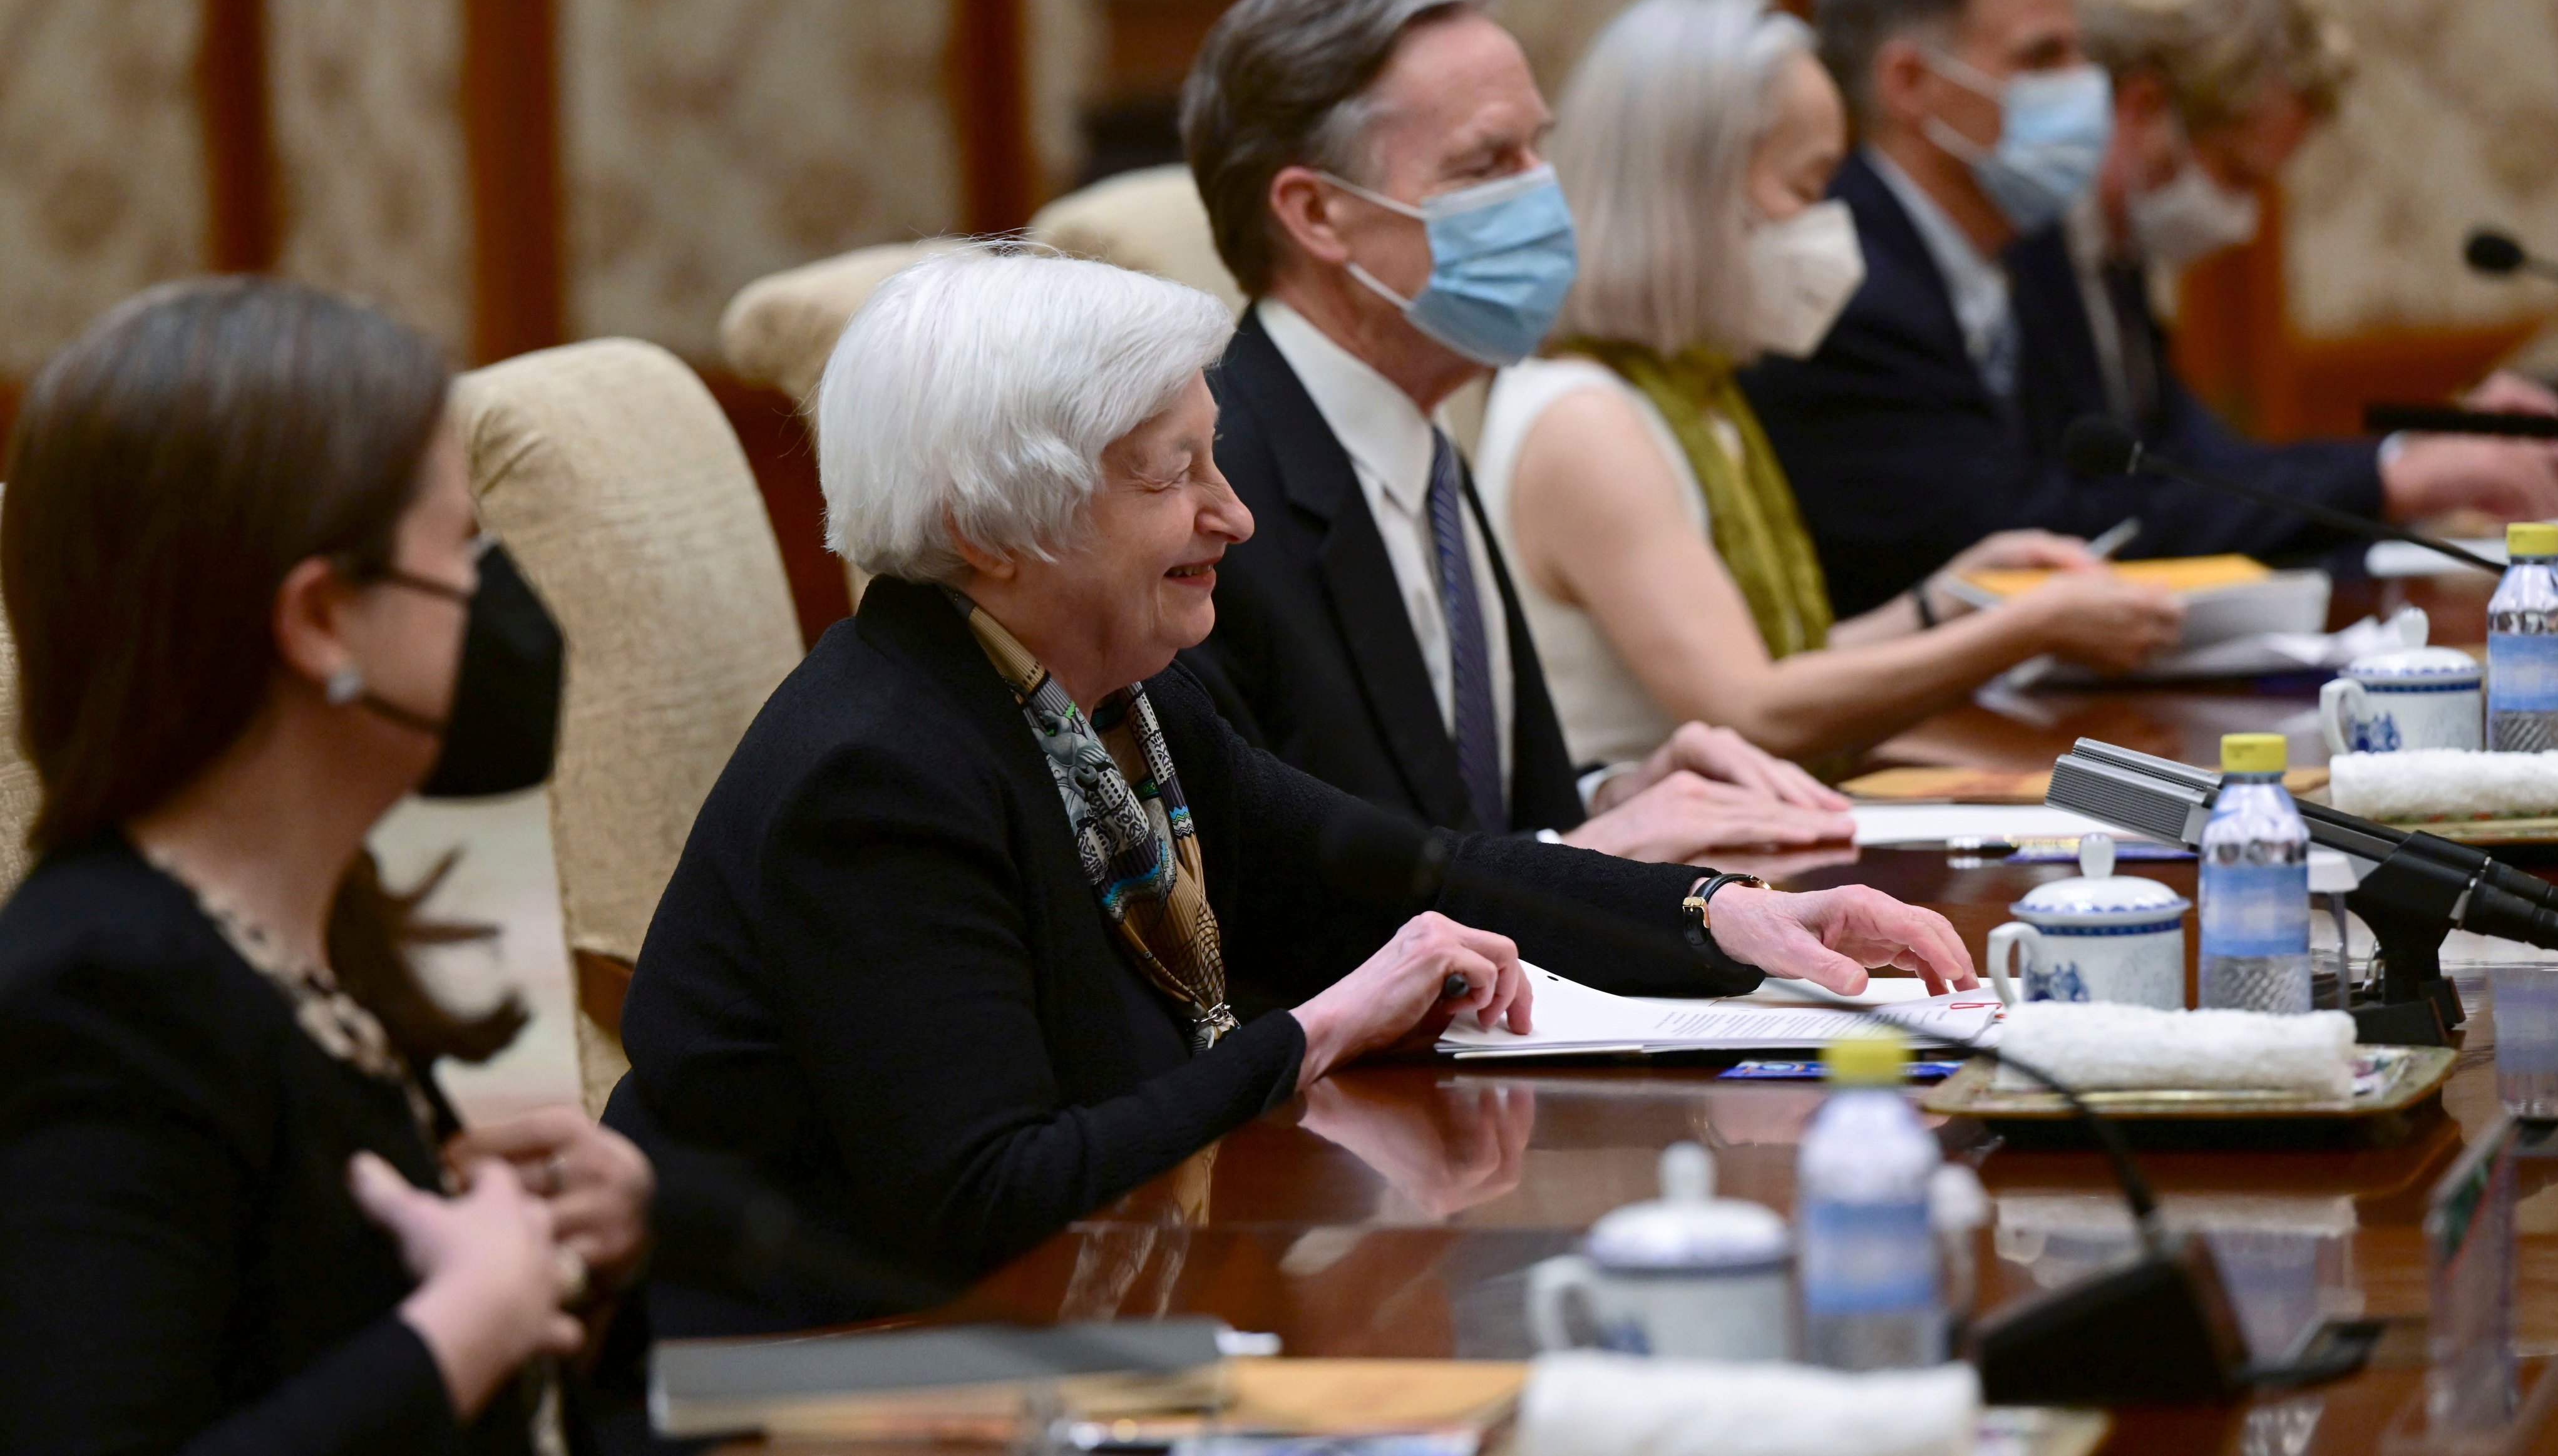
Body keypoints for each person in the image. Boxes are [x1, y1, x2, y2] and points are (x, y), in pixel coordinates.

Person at [607, 247, 1973, 1333]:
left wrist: (1725, 919)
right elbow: (987, 1192)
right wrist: (1310, 1033)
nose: (1232, 515)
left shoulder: (1119, 701)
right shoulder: (880, 773)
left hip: (1075, 1310)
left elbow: (1406, 870)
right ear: (989, 527)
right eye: (1174, 475)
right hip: (843, 1371)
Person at [0, 279, 654, 1453]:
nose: (487, 595)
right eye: (461, 546)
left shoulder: (311, 928)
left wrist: (572, 1262)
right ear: (319, 622)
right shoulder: (96, 1000)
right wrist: (464, 1325)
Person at [1175, 0, 1852, 852]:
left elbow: (1459, 814)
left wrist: (1614, 795)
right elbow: (1269, 884)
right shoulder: (1211, 486)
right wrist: (1575, 859)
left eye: (1537, 148)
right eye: (1487, 163)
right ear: (1317, 214)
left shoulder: (1420, 435)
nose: (1542, 194)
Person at [1739, 0, 2558, 618]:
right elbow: (2033, 528)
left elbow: (2194, 468)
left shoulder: (2003, 248)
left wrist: (2406, 464)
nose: (2084, 89)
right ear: (1911, 83)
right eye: (2043, 58)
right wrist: (2394, 475)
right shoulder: (1851, 281)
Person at [1474, 0, 2187, 766]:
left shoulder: (1697, 397)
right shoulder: (1588, 421)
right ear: (1695, 195)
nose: (1829, 226)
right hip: (1644, 871)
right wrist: (2026, 628)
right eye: (1807, 188)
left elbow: (1771, 660)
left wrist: (1943, 599)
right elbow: (1748, 713)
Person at [2074, 0, 2558, 433]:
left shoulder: (2116, 263)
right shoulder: (2023, 259)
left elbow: (2203, 467)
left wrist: (2417, 457)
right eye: (2237, 175)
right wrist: (2400, 471)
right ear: (2143, 107)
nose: (2243, 223)